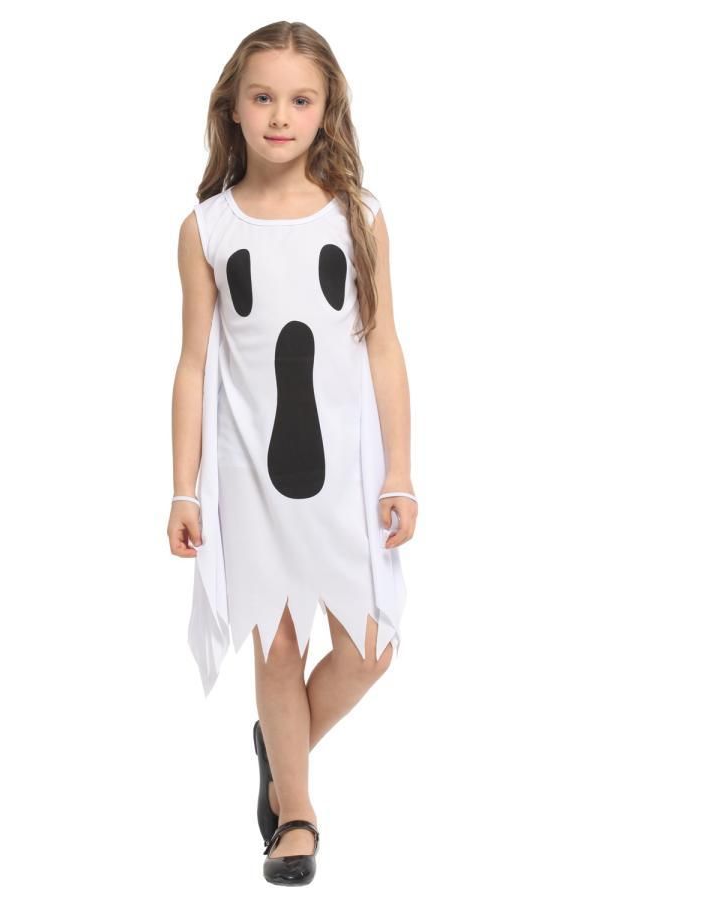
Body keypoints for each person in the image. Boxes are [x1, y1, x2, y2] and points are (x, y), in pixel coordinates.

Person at [167, 21, 416, 886]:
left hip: (345, 471)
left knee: (370, 646)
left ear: (326, 109)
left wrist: (399, 472)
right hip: (248, 470)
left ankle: (279, 750)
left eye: (300, 99)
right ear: (232, 108)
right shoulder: (208, 227)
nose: (281, 116)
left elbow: (384, 346)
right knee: (274, 641)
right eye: (263, 97)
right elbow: (193, 363)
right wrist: (184, 489)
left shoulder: (359, 218)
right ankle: (297, 817)